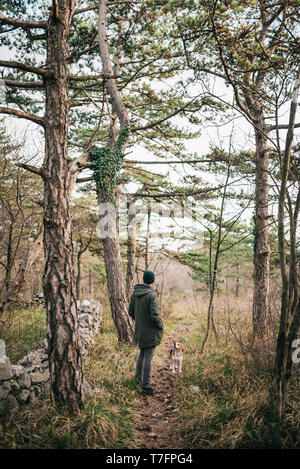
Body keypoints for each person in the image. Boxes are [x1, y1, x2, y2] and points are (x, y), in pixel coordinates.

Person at [128, 270, 164, 396]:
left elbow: (130, 311)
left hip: (139, 330)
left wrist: (139, 321)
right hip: (150, 331)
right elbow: (155, 314)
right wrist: (160, 326)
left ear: (144, 279)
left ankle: (138, 380)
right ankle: (146, 386)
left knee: (142, 354)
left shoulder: (135, 293)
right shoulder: (151, 295)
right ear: (152, 280)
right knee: (148, 356)